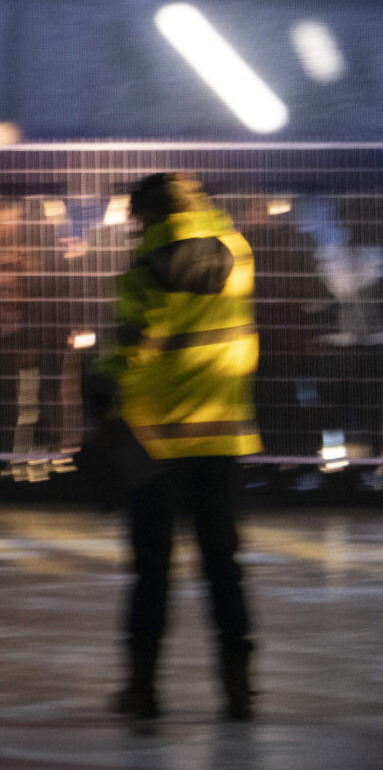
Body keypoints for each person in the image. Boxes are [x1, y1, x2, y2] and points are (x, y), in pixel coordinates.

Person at [87, 170, 262, 722]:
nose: (134, 232)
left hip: (155, 441)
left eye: (136, 222)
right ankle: (238, 689)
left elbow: (131, 350)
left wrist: (100, 397)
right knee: (223, 567)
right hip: (220, 433)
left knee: (151, 571)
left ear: (150, 216)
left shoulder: (147, 269)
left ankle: (142, 689)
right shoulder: (237, 254)